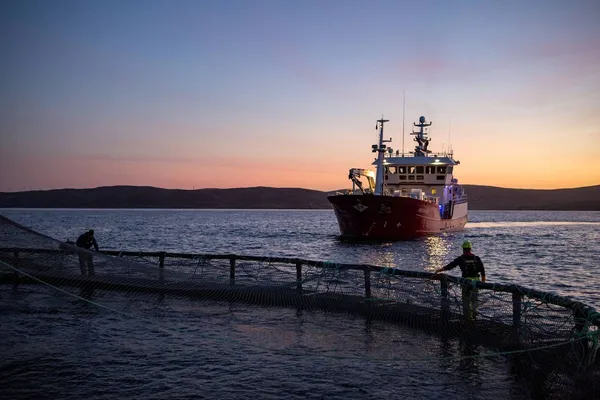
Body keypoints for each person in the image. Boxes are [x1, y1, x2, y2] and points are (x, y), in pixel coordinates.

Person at [433, 240, 486, 320]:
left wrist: (439, 270)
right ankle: (475, 318)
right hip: (476, 282)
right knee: (475, 301)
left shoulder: (460, 259)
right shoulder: (477, 258)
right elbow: (482, 271)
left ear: (463, 249)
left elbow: (451, 266)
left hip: (465, 282)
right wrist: (483, 283)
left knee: (466, 302)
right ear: (470, 248)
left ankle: (468, 319)